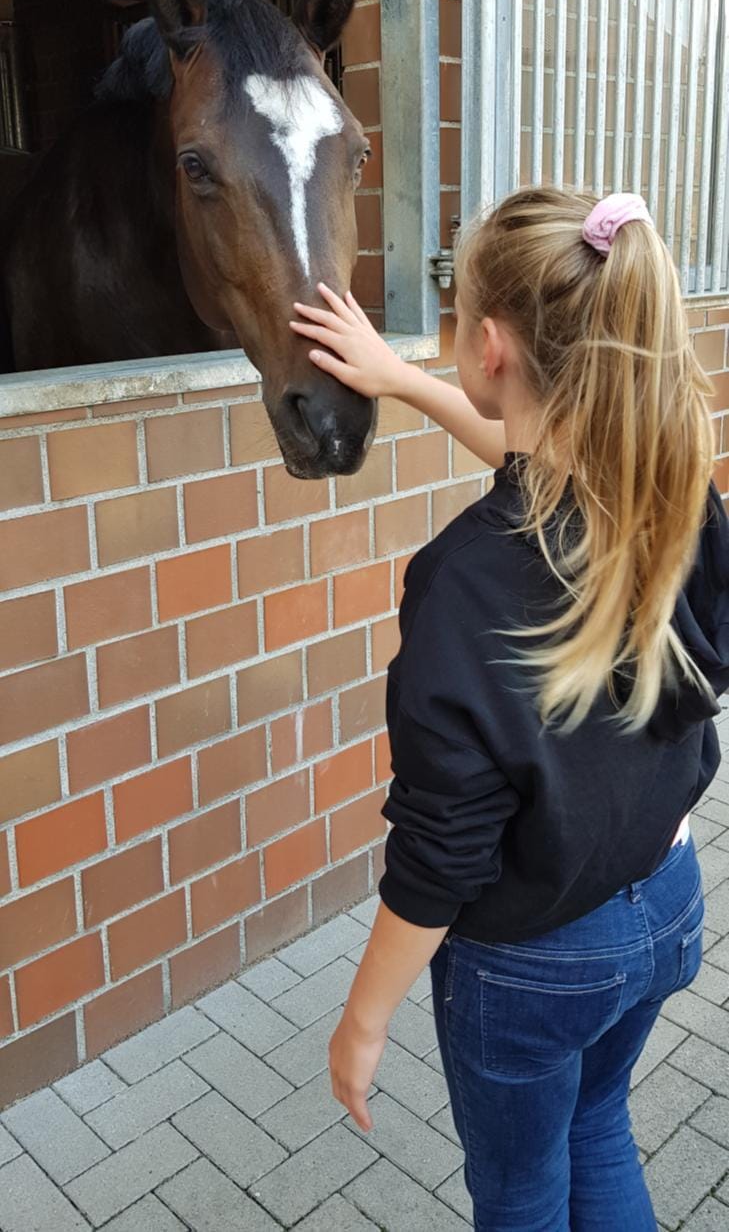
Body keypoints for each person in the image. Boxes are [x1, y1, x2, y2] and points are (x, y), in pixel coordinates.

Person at [290, 186, 729, 1232]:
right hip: (667, 905)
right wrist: (400, 382)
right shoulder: (674, 502)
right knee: (598, 1129)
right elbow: (542, 473)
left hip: (538, 966)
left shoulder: (462, 587)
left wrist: (362, 1018)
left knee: (524, 1191)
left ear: (489, 347)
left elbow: (439, 862)